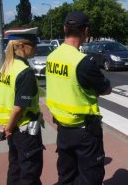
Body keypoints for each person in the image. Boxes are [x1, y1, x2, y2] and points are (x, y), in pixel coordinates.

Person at [46, 11, 112, 185]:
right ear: (86, 31)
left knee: (66, 176)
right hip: (85, 132)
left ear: (64, 28)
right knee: (90, 178)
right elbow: (106, 89)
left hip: (62, 130)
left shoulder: (51, 57)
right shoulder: (83, 62)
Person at [0, 27, 44, 185]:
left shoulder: (7, 66)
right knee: (30, 172)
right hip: (25, 129)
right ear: (22, 46)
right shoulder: (25, 71)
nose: (36, 48)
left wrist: (6, 128)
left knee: (15, 168)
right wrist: (7, 129)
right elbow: (19, 107)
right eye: (33, 44)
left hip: (13, 129)